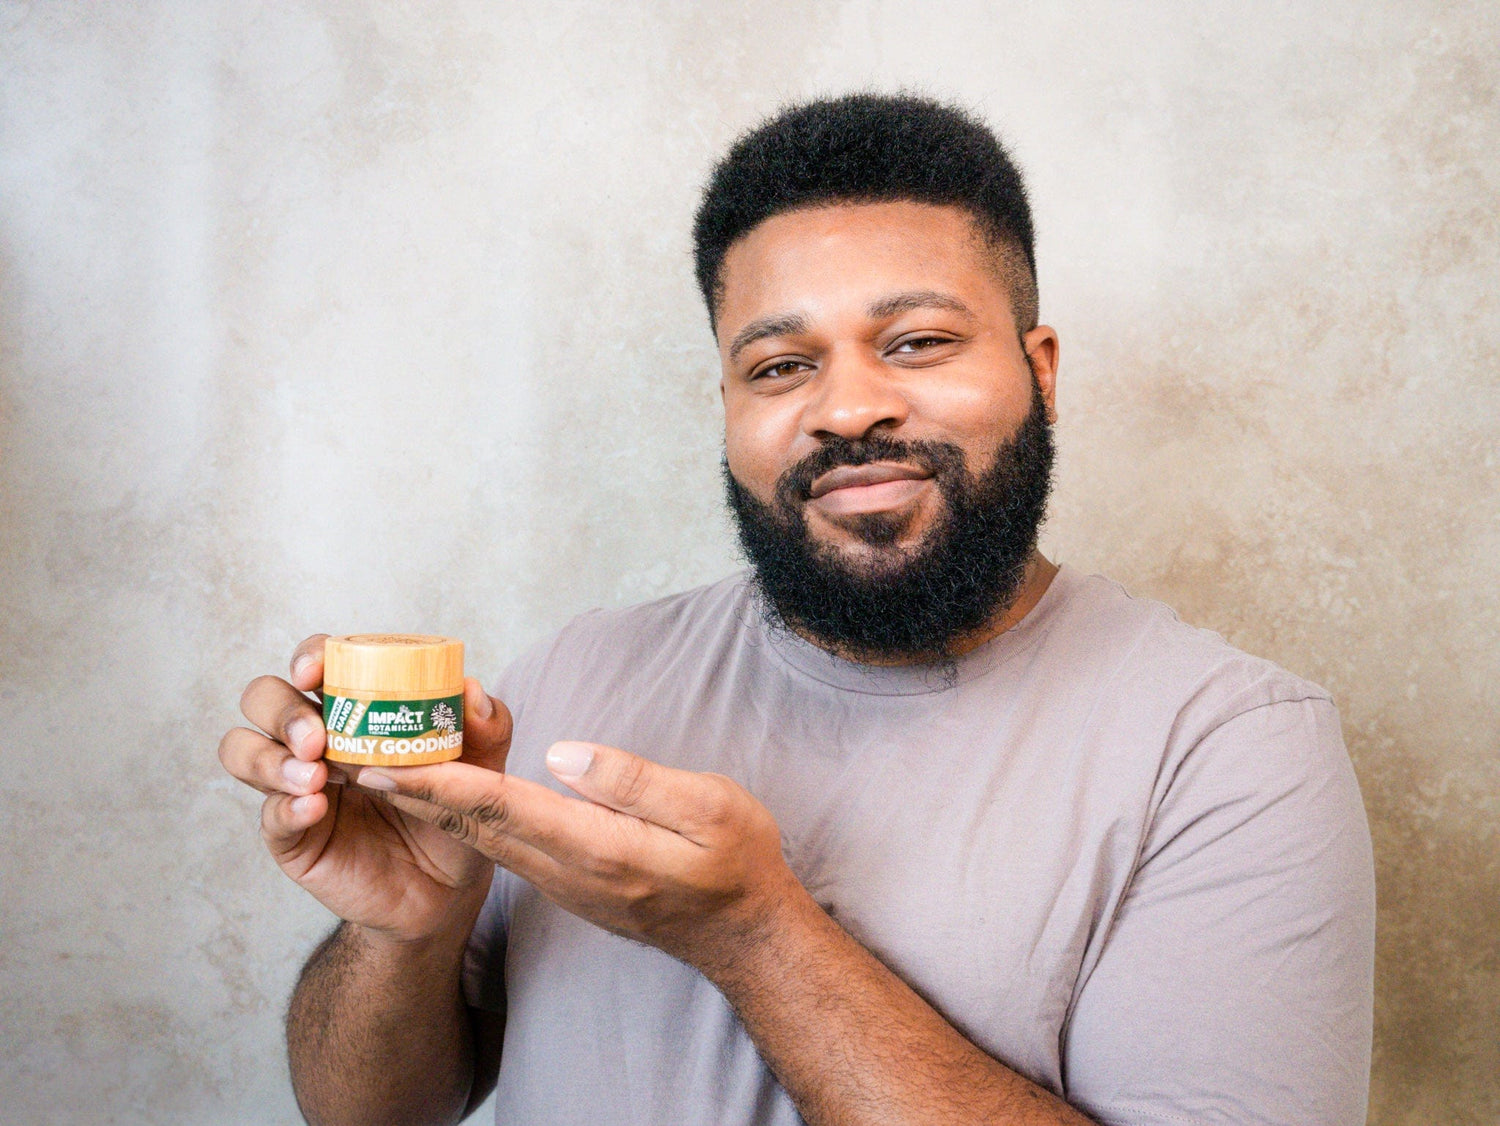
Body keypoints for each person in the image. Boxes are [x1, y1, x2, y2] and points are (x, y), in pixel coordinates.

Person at [219, 93, 1376, 1126]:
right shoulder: (572, 678)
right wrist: (403, 931)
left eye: (917, 342)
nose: (849, 408)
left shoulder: (1230, 749)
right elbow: (366, 1113)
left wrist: (754, 934)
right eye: (781, 365)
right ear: (727, 403)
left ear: (1042, 371)